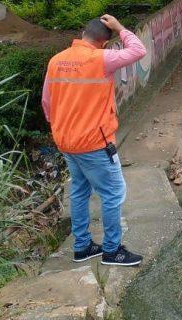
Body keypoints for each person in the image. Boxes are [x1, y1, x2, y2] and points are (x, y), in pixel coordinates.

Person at [42, 14, 147, 266]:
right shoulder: (101, 59)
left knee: (79, 191)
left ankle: (82, 246)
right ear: (103, 42)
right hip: (93, 143)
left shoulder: (56, 61)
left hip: (66, 141)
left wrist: (61, 128)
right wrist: (120, 27)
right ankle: (112, 250)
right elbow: (138, 49)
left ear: (82, 35)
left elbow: (47, 102)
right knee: (113, 193)